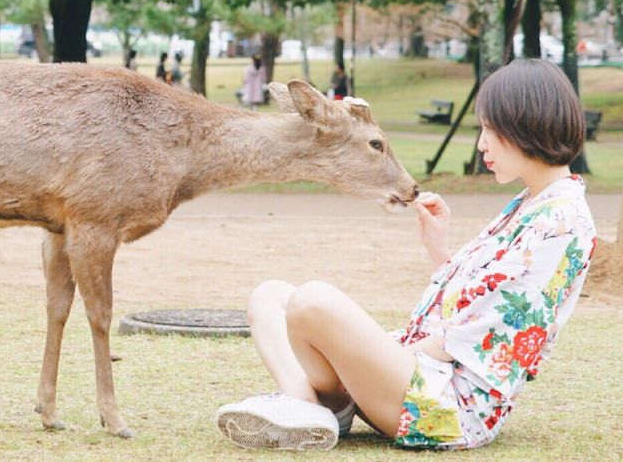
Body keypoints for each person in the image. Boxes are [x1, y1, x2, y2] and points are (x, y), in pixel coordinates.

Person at [215, 59, 596, 452]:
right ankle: (312, 407)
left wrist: (376, 355)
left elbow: (485, 336)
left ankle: (308, 404)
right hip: (418, 375)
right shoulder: (532, 204)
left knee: (313, 299)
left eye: (490, 129)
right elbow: (473, 304)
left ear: (527, 123)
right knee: (270, 295)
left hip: (447, 406)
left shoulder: (562, 221)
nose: (482, 143)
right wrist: (439, 249)